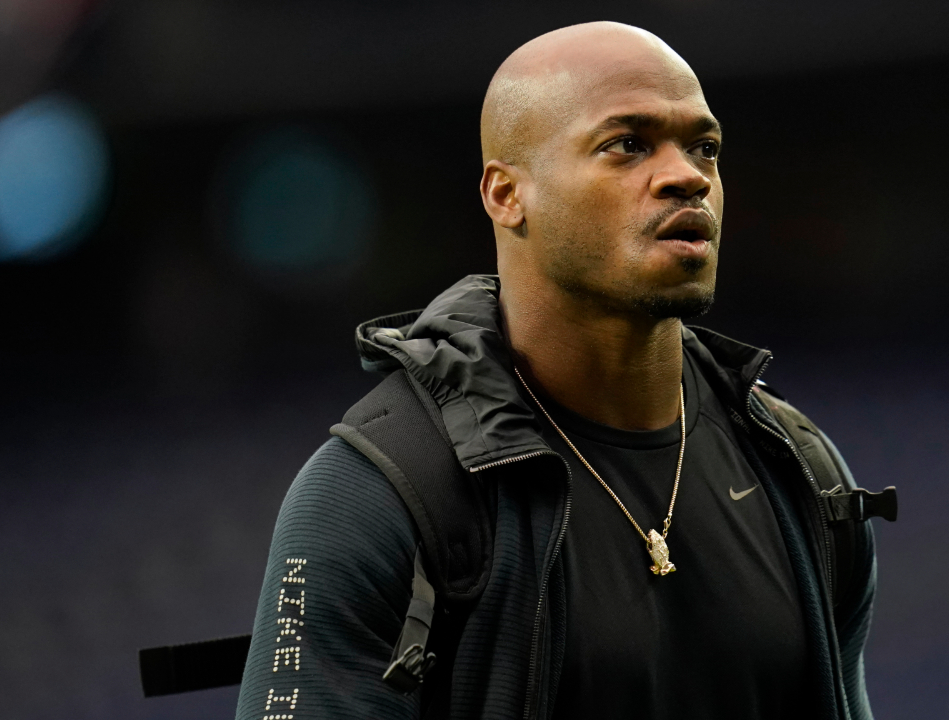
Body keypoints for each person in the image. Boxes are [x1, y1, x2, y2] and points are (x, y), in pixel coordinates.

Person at [234, 21, 879, 720]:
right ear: (506, 194)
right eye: (628, 144)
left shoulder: (799, 469)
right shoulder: (379, 495)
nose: (688, 176)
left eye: (705, 148)